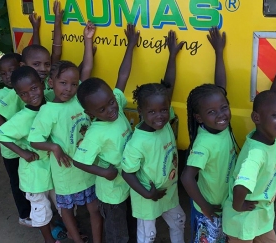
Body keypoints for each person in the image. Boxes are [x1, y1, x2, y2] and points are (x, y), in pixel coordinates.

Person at [28, 22, 101, 243]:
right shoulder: (48, 110)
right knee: (67, 211)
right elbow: (34, 140)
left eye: (73, 84)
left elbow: (86, 69)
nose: (68, 88)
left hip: (87, 170)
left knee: (94, 210)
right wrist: (55, 147)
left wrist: (87, 40)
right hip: (65, 175)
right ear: (51, 83)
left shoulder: (80, 99)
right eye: (62, 83)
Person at [222, 33, 276, 243]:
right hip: (243, 217)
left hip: (262, 214)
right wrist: (238, 205)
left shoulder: (269, 136)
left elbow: (274, 99)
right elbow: (241, 186)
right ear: (257, 118)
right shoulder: (256, 153)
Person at [73, 23, 139, 243]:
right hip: (111, 194)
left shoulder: (116, 104)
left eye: (111, 102)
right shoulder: (95, 133)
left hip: (127, 184)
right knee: (117, 234)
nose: (111, 110)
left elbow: (123, 75)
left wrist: (130, 45)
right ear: (89, 112)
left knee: (130, 226)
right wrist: (104, 173)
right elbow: (79, 162)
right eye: (102, 109)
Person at [121, 30, 186, 243]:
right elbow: (127, 173)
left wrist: (172, 55)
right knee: (148, 235)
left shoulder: (166, 121)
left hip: (168, 191)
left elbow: (169, 86)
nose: (159, 116)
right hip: (147, 197)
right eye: (152, 112)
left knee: (179, 220)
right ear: (140, 112)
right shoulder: (137, 142)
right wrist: (147, 194)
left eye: (163, 110)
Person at [180, 27, 236, 243]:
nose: (221, 114)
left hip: (224, 203)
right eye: (212, 112)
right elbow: (186, 177)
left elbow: (221, 87)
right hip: (209, 208)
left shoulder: (220, 125)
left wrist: (219, 52)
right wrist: (205, 207)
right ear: (199, 118)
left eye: (224, 107)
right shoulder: (204, 143)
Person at [0, 66, 58, 243]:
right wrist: (23, 152)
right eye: (24, 94)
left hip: (51, 168)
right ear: (19, 96)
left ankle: (68, 230)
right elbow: (0, 135)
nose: (31, 95)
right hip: (34, 173)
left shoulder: (51, 101)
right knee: (40, 208)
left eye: (34, 88)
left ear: (43, 84)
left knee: (62, 203)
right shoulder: (22, 117)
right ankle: (48, 240)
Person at [0, 53, 32, 227]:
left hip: (27, 147)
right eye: (3, 73)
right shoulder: (3, 94)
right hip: (11, 151)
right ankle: (25, 214)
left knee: (31, 180)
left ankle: (36, 211)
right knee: (17, 181)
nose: (8, 76)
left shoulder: (28, 88)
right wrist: (10, 128)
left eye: (12, 70)